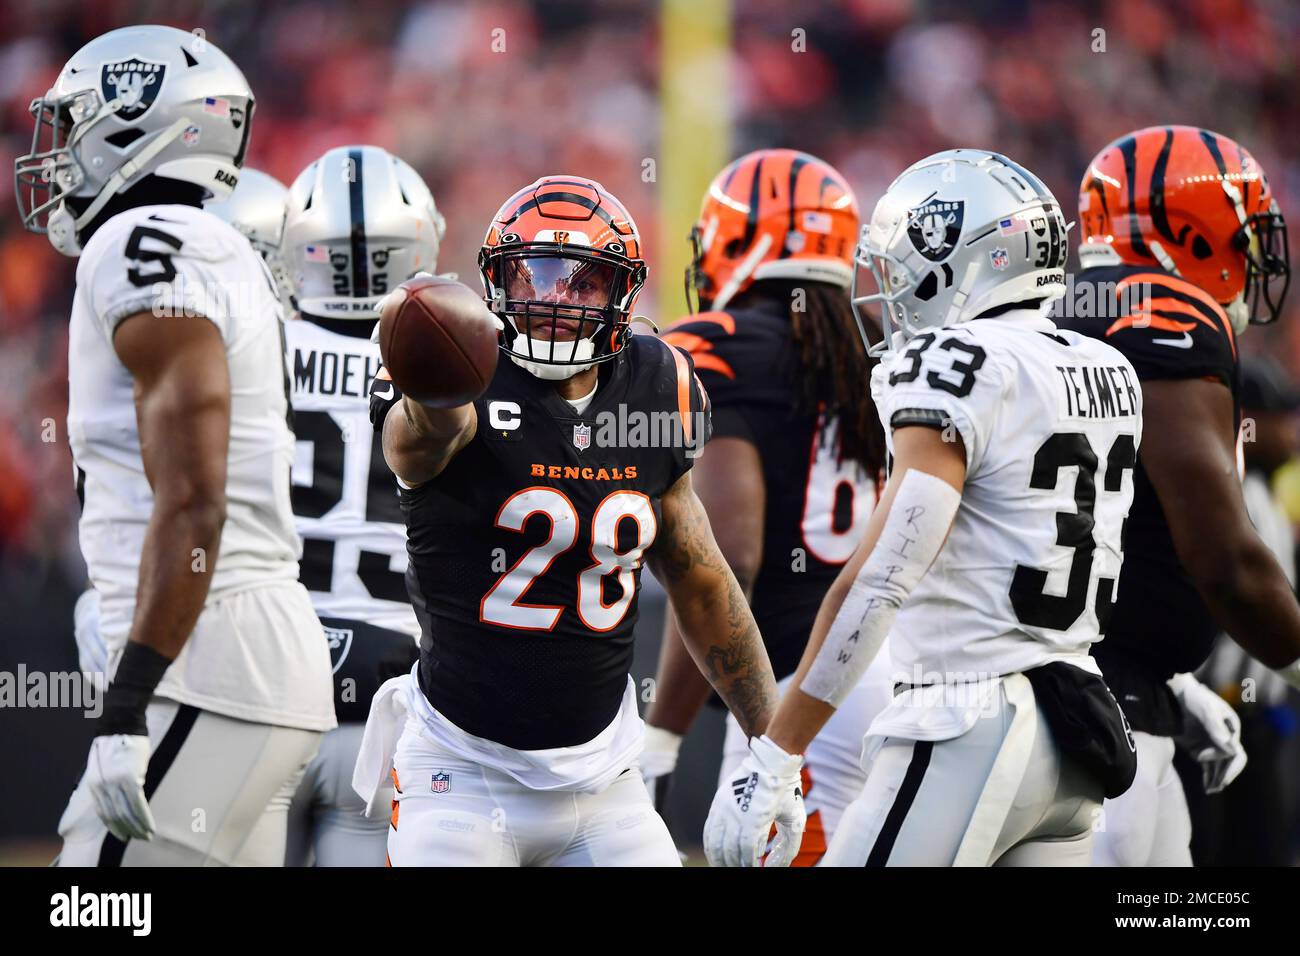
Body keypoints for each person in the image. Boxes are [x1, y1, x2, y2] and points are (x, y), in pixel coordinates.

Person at [704, 149, 1142, 867]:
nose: (892, 289)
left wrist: (777, 755)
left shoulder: (953, 363)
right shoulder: (1104, 366)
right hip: (1074, 729)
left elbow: (883, 574)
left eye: (903, 266)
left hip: (963, 720)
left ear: (960, 262)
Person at [355, 175, 780, 866]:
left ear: (621, 294)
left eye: (585, 283)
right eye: (540, 274)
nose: (557, 298)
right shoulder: (464, 375)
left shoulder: (658, 385)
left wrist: (775, 748)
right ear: (498, 281)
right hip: (460, 769)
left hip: (603, 777)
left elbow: (702, 583)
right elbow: (416, 442)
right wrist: (434, 382)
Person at [15, 25, 335, 865]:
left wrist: (127, 705)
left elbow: (193, 498)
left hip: (205, 670)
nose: (60, 153)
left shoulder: (144, 240)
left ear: (139, 123)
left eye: (79, 124)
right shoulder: (208, 242)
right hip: (250, 664)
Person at [1055, 126, 1300, 866]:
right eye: (1244, 230)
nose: (1255, 255)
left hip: (1101, 688)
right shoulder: (1161, 319)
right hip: (1099, 715)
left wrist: (1175, 681)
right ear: (1193, 233)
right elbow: (1223, 558)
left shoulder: (1070, 307)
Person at [642, 149, 887, 865]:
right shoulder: (860, 351)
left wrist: (663, 735)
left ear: (737, 240)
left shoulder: (720, 346)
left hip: (785, 697)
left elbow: (729, 558)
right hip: (880, 673)